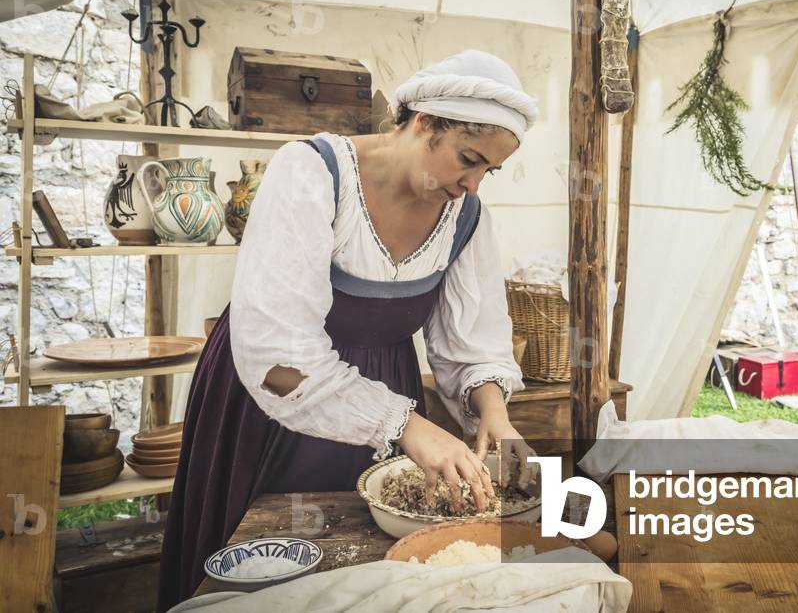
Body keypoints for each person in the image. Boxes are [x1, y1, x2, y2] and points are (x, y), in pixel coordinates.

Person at [157, 50, 539, 611]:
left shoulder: (466, 217)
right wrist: (404, 423)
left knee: (359, 568)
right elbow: (281, 353)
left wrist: (494, 412)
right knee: (265, 570)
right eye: (469, 159)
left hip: (386, 387)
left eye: (489, 170)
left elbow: (471, 339)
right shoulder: (312, 172)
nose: (474, 184)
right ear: (424, 122)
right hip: (272, 394)